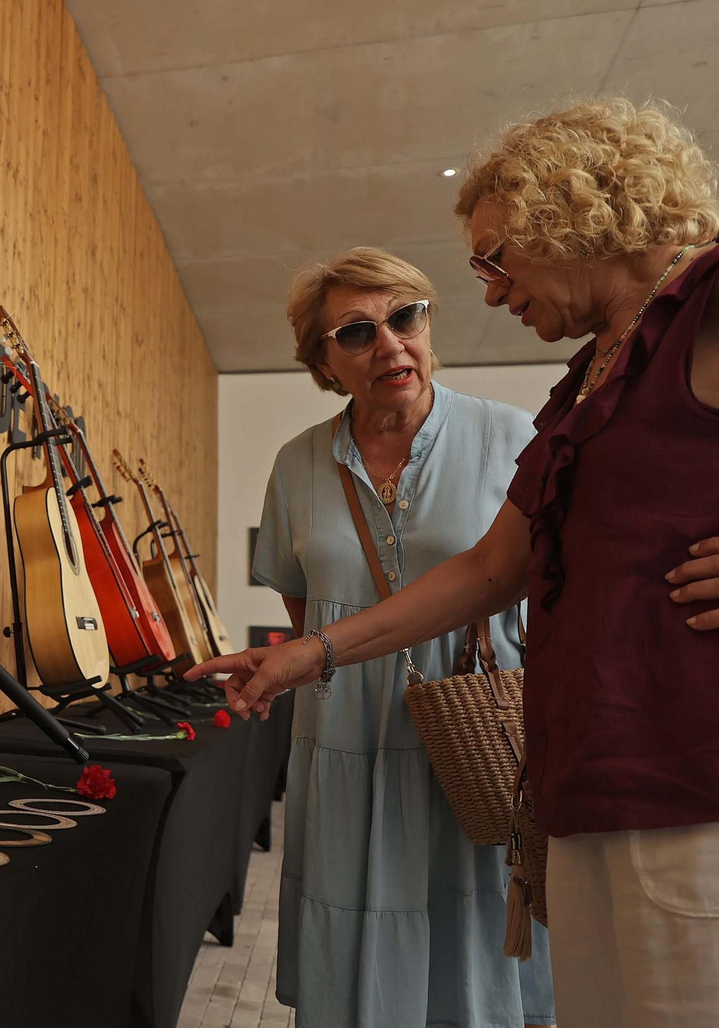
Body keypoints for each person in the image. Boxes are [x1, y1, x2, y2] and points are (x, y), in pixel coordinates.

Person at [195, 98, 719, 1027]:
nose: (488, 291)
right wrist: (307, 653)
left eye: (492, 258)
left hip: (679, 779)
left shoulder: (705, 301)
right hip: (582, 781)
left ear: (563, 217)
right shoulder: (589, 376)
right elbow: (488, 571)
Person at [244, 246, 554, 1028]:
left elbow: (556, 584)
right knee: (354, 934)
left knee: (472, 920)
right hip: (345, 737)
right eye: (356, 332)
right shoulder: (296, 465)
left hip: (477, 731)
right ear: (324, 361)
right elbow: (304, 611)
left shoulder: (509, 436)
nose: (390, 345)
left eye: (405, 317)